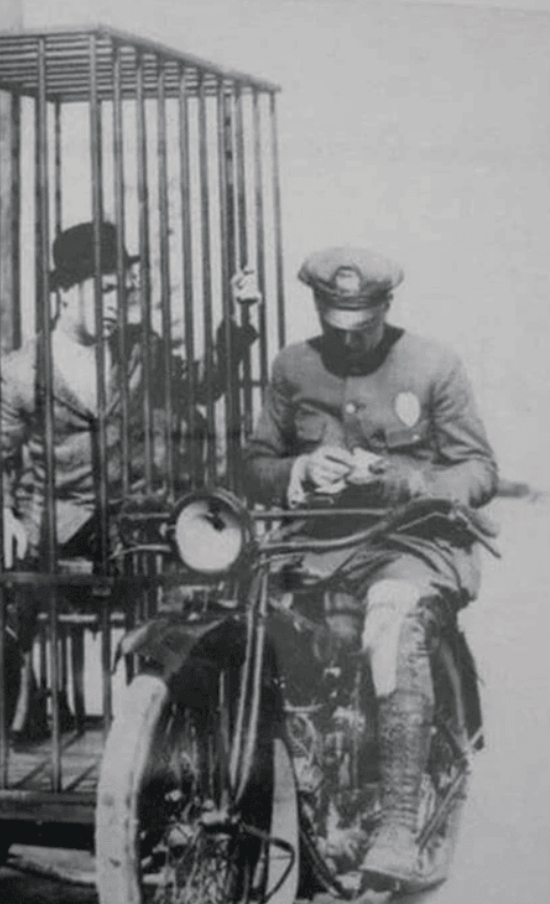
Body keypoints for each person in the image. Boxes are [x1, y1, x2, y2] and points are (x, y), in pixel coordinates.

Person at [0, 220, 262, 772]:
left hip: (128, 522)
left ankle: (175, 721)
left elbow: (202, 384)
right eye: (103, 291)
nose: (116, 303)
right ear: (62, 292)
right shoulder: (24, 369)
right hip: (50, 523)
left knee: (191, 566)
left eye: (121, 289)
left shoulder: (138, 350)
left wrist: (239, 320)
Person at [243, 246, 498, 889]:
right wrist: (299, 472)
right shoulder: (293, 367)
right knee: (258, 630)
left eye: (362, 322)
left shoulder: (433, 365)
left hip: (410, 545)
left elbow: (479, 470)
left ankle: (397, 826)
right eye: (335, 323)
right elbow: (254, 463)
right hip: (316, 549)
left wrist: (409, 481)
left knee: (391, 620)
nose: (349, 337)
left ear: (386, 306)